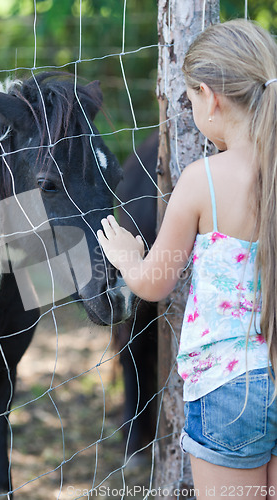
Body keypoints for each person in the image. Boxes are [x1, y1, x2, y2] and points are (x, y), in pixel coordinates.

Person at [97, 19, 277, 500]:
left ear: (209, 97)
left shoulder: (203, 181)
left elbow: (155, 285)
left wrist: (128, 257)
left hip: (228, 390)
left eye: (190, 99)